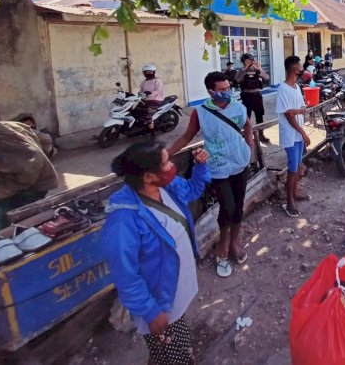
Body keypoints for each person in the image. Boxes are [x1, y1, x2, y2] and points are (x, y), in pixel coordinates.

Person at [103, 142, 211, 365]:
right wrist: (150, 310)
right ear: (148, 176)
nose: (172, 165)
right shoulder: (123, 221)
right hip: (157, 300)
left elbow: (191, 191)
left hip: (173, 288)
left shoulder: (166, 188)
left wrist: (200, 167)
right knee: (172, 351)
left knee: (171, 340)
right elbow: (125, 275)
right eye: (166, 163)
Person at [168, 72, 255, 278]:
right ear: (210, 91)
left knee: (239, 205)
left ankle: (235, 242)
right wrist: (166, 154)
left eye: (228, 88)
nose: (227, 92)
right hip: (217, 167)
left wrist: (250, 145)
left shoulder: (237, 106)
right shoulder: (201, 112)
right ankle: (223, 244)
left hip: (239, 162)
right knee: (227, 206)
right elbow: (187, 136)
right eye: (222, 90)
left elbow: (248, 125)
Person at [0, 98, 58, 232]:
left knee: (4, 231)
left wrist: (4, 190)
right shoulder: (10, 126)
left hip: (24, 190)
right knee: (31, 225)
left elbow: (30, 165)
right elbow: (46, 141)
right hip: (36, 185)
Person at [276, 56, 312, 217]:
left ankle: (295, 193)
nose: (301, 67)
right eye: (299, 65)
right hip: (291, 134)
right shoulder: (283, 89)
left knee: (297, 166)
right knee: (292, 168)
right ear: (292, 68)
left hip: (298, 133)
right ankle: (289, 201)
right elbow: (289, 115)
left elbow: (300, 107)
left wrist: (301, 109)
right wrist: (304, 133)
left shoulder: (297, 87)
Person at [235, 53, 270, 143]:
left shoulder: (256, 70)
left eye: (252, 59)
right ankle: (246, 136)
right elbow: (237, 80)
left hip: (257, 96)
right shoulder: (241, 71)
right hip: (247, 96)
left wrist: (258, 69)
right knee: (246, 118)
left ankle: (261, 135)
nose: (251, 61)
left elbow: (266, 77)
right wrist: (245, 69)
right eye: (249, 60)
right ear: (244, 61)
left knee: (259, 116)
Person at [138, 64, 165, 130]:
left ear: (153, 72)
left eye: (150, 72)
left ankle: (151, 130)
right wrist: (139, 95)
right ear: (144, 73)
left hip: (156, 100)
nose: (148, 73)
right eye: (146, 72)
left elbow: (158, 91)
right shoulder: (144, 82)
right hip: (146, 100)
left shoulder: (157, 81)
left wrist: (149, 94)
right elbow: (141, 91)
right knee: (137, 110)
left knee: (148, 113)